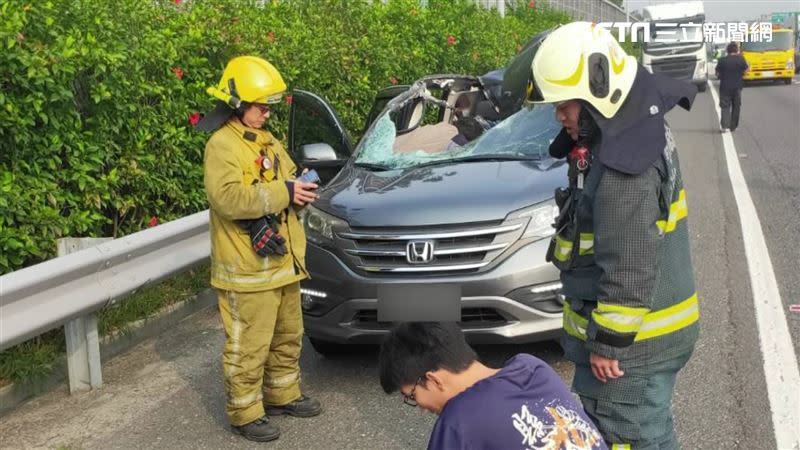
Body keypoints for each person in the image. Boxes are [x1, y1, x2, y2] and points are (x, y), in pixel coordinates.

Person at [527, 22, 700, 449]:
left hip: (633, 351)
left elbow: (630, 264)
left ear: (598, 92)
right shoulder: (634, 122)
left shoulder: (626, 165)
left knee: (631, 436)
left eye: (565, 104)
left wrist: (608, 345)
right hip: (650, 339)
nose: (559, 115)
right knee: (650, 432)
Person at [197, 56, 321, 442]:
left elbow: (286, 183)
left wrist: (299, 192)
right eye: (259, 105)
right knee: (249, 344)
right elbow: (229, 198)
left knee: (288, 334)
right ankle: (245, 411)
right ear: (236, 104)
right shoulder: (222, 146)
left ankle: (282, 393)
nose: (266, 112)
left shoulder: (268, 140)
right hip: (247, 269)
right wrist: (284, 192)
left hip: (282, 261)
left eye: (268, 106)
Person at [379, 322, 607, 450]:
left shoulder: (459, 421)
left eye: (411, 395)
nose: (418, 406)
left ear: (434, 379)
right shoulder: (533, 368)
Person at [715, 42, 749, 132]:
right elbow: (746, 71)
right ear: (737, 50)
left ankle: (725, 126)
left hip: (725, 87)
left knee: (725, 106)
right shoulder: (741, 59)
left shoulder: (722, 60)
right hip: (737, 87)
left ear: (727, 50)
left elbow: (717, 73)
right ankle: (733, 126)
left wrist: (721, 75)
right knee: (736, 106)